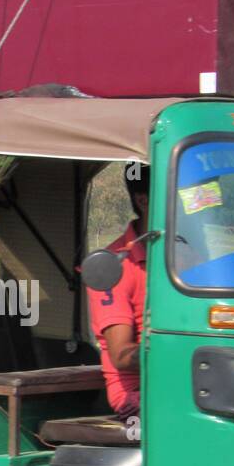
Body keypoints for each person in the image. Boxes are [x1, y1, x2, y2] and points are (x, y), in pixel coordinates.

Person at [87, 164, 149, 419]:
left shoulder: (192, 257)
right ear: (144, 201)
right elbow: (122, 355)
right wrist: (179, 349)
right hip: (137, 390)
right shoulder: (113, 267)